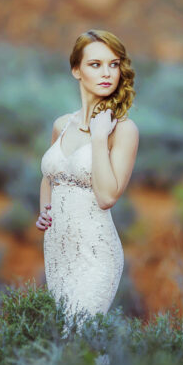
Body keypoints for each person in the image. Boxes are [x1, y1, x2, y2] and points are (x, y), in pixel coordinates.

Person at [37, 29, 139, 338]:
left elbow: (108, 196)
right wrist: (45, 211)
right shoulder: (61, 124)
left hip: (97, 255)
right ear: (76, 70)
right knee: (67, 342)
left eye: (114, 64)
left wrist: (97, 137)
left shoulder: (123, 130)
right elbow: (49, 175)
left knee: (77, 339)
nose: (107, 73)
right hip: (57, 252)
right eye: (96, 64)